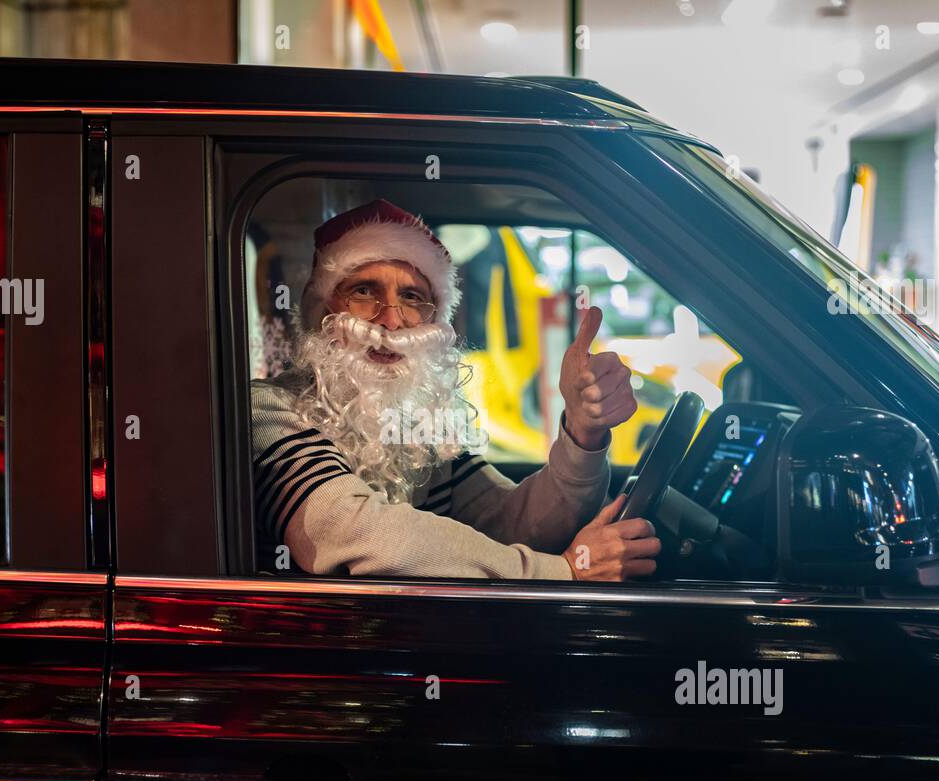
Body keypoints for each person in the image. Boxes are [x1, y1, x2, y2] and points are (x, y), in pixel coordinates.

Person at [251, 198, 660, 581]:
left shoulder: (416, 428)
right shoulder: (269, 410)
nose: (390, 321)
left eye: (411, 297)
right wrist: (562, 572)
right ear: (324, 309)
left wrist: (583, 432)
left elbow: (512, 520)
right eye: (364, 291)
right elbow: (360, 532)